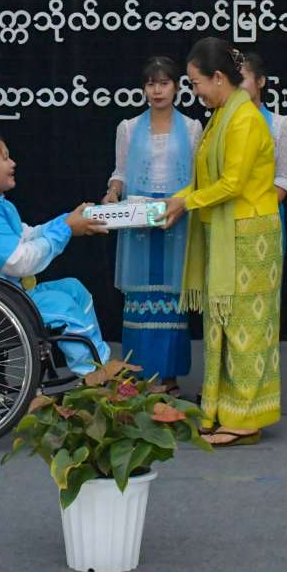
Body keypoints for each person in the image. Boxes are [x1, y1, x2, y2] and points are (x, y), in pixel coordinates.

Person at [161, 37, 282, 447]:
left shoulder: (243, 118)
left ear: (217, 77)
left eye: (196, 83)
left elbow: (231, 184)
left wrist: (186, 202)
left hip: (250, 236)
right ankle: (220, 409)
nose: (194, 91)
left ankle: (246, 419)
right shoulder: (221, 116)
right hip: (226, 233)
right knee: (223, 326)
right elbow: (204, 180)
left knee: (247, 328)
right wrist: (178, 198)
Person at [0, 132, 110, 375]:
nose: (13, 163)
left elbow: (26, 235)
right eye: (6, 158)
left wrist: (67, 221)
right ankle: (94, 378)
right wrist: (66, 229)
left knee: (75, 290)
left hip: (6, 294)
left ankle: (99, 367)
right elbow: (19, 261)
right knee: (65, 307)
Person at [102, 56, 202, 394]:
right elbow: (120, 172)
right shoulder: (128, 128)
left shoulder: (192, 128)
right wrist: (112, 193)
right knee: (140, 298)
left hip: (177, 215)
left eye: (164, 83)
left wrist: (181, 203)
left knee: (172, 297)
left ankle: (169, 377)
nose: (157, 90)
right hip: (139, 218)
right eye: (151, 83)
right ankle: (139, 375)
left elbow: (199, 178)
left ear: (177, 87)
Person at [239, 51, 287, 254]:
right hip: (226, 220)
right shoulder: (222, 125)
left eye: (242, 79)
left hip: (265, 218)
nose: (237, 86)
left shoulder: (281, 125)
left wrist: (250, 213)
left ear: (261, 81)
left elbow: (283, 180)